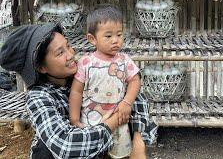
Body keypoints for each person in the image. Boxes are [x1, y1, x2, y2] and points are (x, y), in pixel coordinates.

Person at [0, 23, 157, 158]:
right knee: (45, 147)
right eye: (60, 53)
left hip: (99, 148)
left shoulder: (85, 73)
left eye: (68, 46)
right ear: (41, 67)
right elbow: (66, 145)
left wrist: (138, 141)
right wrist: (113, 122)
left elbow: (137, 97)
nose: (71, 55)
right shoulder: (39, 98)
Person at [69, 5, 140, 158]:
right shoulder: (86, 63)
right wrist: (74, 119)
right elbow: (76, 91)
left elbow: (135, 80)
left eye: (119, 35)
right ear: (92, 39)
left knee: (119, 154)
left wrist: (127, 102)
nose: (116, 40)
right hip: (91, 121)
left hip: (119, 120)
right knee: (93, 154)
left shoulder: (124, 60)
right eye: (108, 36)